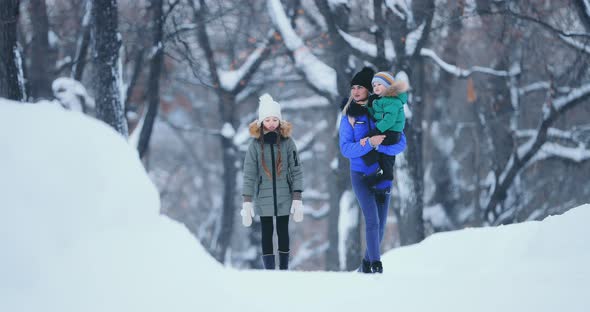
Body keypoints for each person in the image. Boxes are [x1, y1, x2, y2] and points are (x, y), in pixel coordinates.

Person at [339, 67, 407, 274]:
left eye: (360, 87)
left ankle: (365, 266)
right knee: (372, 220)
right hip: (360, 175)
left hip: (383, 173)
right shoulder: (348, 116)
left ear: (370, 89)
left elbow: (401, 143)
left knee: (381, 224)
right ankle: (375, 266)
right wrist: (369, 142)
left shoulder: (383, 109)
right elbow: (346, 149)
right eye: (353, 87)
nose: (356, 91)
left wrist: (380, 146)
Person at [241, 93, 304, 270]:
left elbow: (296, 169)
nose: (271, 123)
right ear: (261, 122)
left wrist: (297, 197)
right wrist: (247, 202)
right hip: (263, 197)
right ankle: (269, 270)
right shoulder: (254, 146)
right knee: (267, 233)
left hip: (285, 195)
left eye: (274, 119)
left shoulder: (288, 143)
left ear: (280, 121)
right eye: (267, 119)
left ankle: (283, 268)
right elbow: (249, 174)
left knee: (283, 231)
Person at [360, 71, 409, 184]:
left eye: (379, 84)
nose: (376, 87)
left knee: (374, 148)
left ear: (387, 86)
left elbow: (389, 120)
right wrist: (370, 105)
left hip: (392, 132)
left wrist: (376, 130)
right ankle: (380, 173)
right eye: (374, 85)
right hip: (386, 130)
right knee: (382, 155)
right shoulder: (380, 100)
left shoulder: (393, 100)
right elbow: (374, 116)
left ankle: (382, 175)